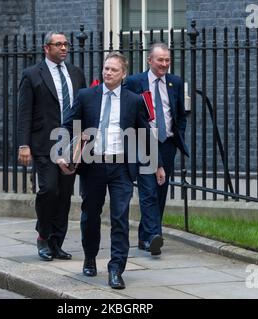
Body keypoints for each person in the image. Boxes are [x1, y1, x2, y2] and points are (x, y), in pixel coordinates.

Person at [59, 52, 161, 289]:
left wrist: (157, 164)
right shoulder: (86, 96)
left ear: (123, 74)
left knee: (120, 218)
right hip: (93, 164)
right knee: (90, 215)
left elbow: (145, 133)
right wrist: (62, 152)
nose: (107, 73)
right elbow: (68, 124)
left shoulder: (133, 100)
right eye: (106, 68)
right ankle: (90, 258)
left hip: (121, 167)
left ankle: (116, 269)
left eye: (113, 70)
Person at [17, 31, 86, 261]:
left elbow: (83, 109)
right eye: (59, 44)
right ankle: (43, 236)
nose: (64, 48)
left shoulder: (76, 74)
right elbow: (24, 113)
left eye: (66, 44)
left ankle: (57, 242)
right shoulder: (32, 75)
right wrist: (23, 145)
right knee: (49, 190)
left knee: (65, 195)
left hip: (70, 143)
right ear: (46, 48)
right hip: (43, 144)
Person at [124, 42, 189, 256]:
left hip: (167, 143)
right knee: (148, 189)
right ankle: (154, 236)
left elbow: (180, 113)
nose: (164, 64)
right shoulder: (135, 82)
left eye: (167, 60)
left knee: (161, 190)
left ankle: (145, 236)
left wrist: (177, 133)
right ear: (149, 60)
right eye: (160, 60)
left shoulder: (175, 82)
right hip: (144, 141)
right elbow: (127, 110)